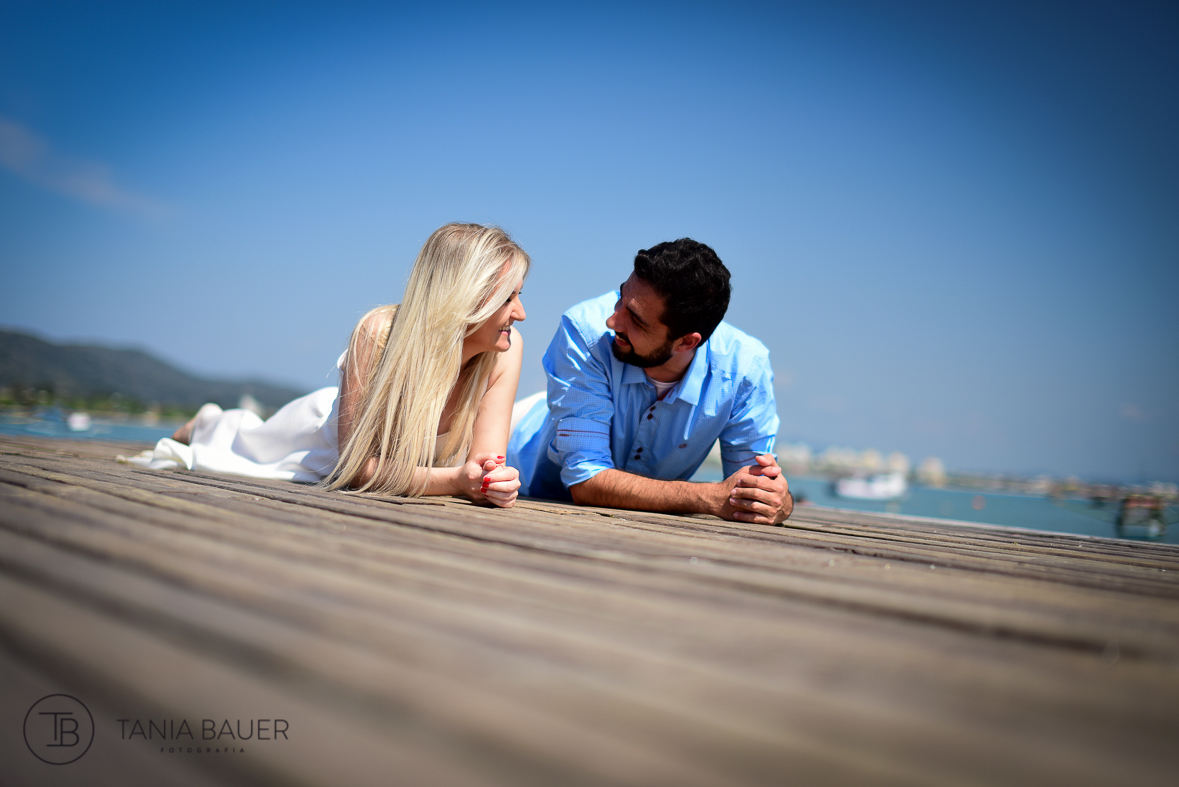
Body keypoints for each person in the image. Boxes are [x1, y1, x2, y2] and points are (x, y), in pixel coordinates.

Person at [126, 223, 528, 507]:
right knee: (245, 441)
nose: (521, 313)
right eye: (508, 298)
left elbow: (487, 467)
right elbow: (357, 469)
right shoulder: (379, 334)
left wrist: (496, 483)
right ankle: (205, 423)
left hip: (402, 469)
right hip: (317, 440)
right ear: (468, 297)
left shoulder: (505, 353)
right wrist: (457, 481)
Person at [508, 238, 792, 524]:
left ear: (686, 342)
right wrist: (708, 497)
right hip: (520, 457)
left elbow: (752, 488)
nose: (613, 321)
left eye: (637, 320)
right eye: (621, 297)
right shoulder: (585, 331)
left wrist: (774, 500)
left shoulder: (744, 368)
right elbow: (585, 480)